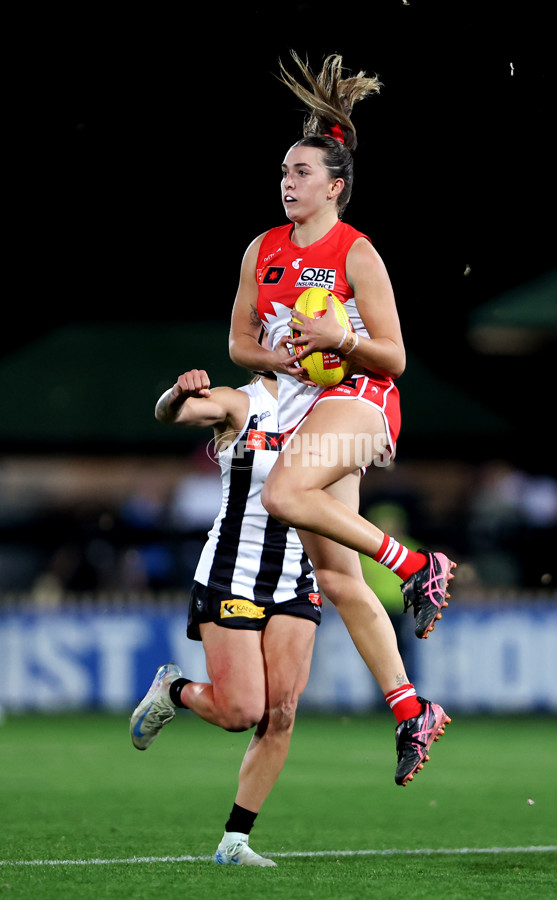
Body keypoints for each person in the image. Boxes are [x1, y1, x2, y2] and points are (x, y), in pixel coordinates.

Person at [229, 52, 456, 781]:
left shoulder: (356, 253)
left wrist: (340, 341)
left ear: (336, 186)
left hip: (361, 400)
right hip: (308, 407)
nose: (287, 182)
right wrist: (282, 361)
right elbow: (237, 343)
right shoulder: (261, 251)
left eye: (301, 173)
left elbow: (392, 357)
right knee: (336, 575)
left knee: (285, 495)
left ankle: (421, 565)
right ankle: (410, 706)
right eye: (284, 172)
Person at [130, 365, 321, 867]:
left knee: (281, 712)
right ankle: (175, 690)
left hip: (299, 575)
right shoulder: (241, 402)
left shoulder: (335, 407)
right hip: (233, 572)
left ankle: (234, 841)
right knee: (241, 713)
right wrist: (176, 392)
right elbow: (170, 414)